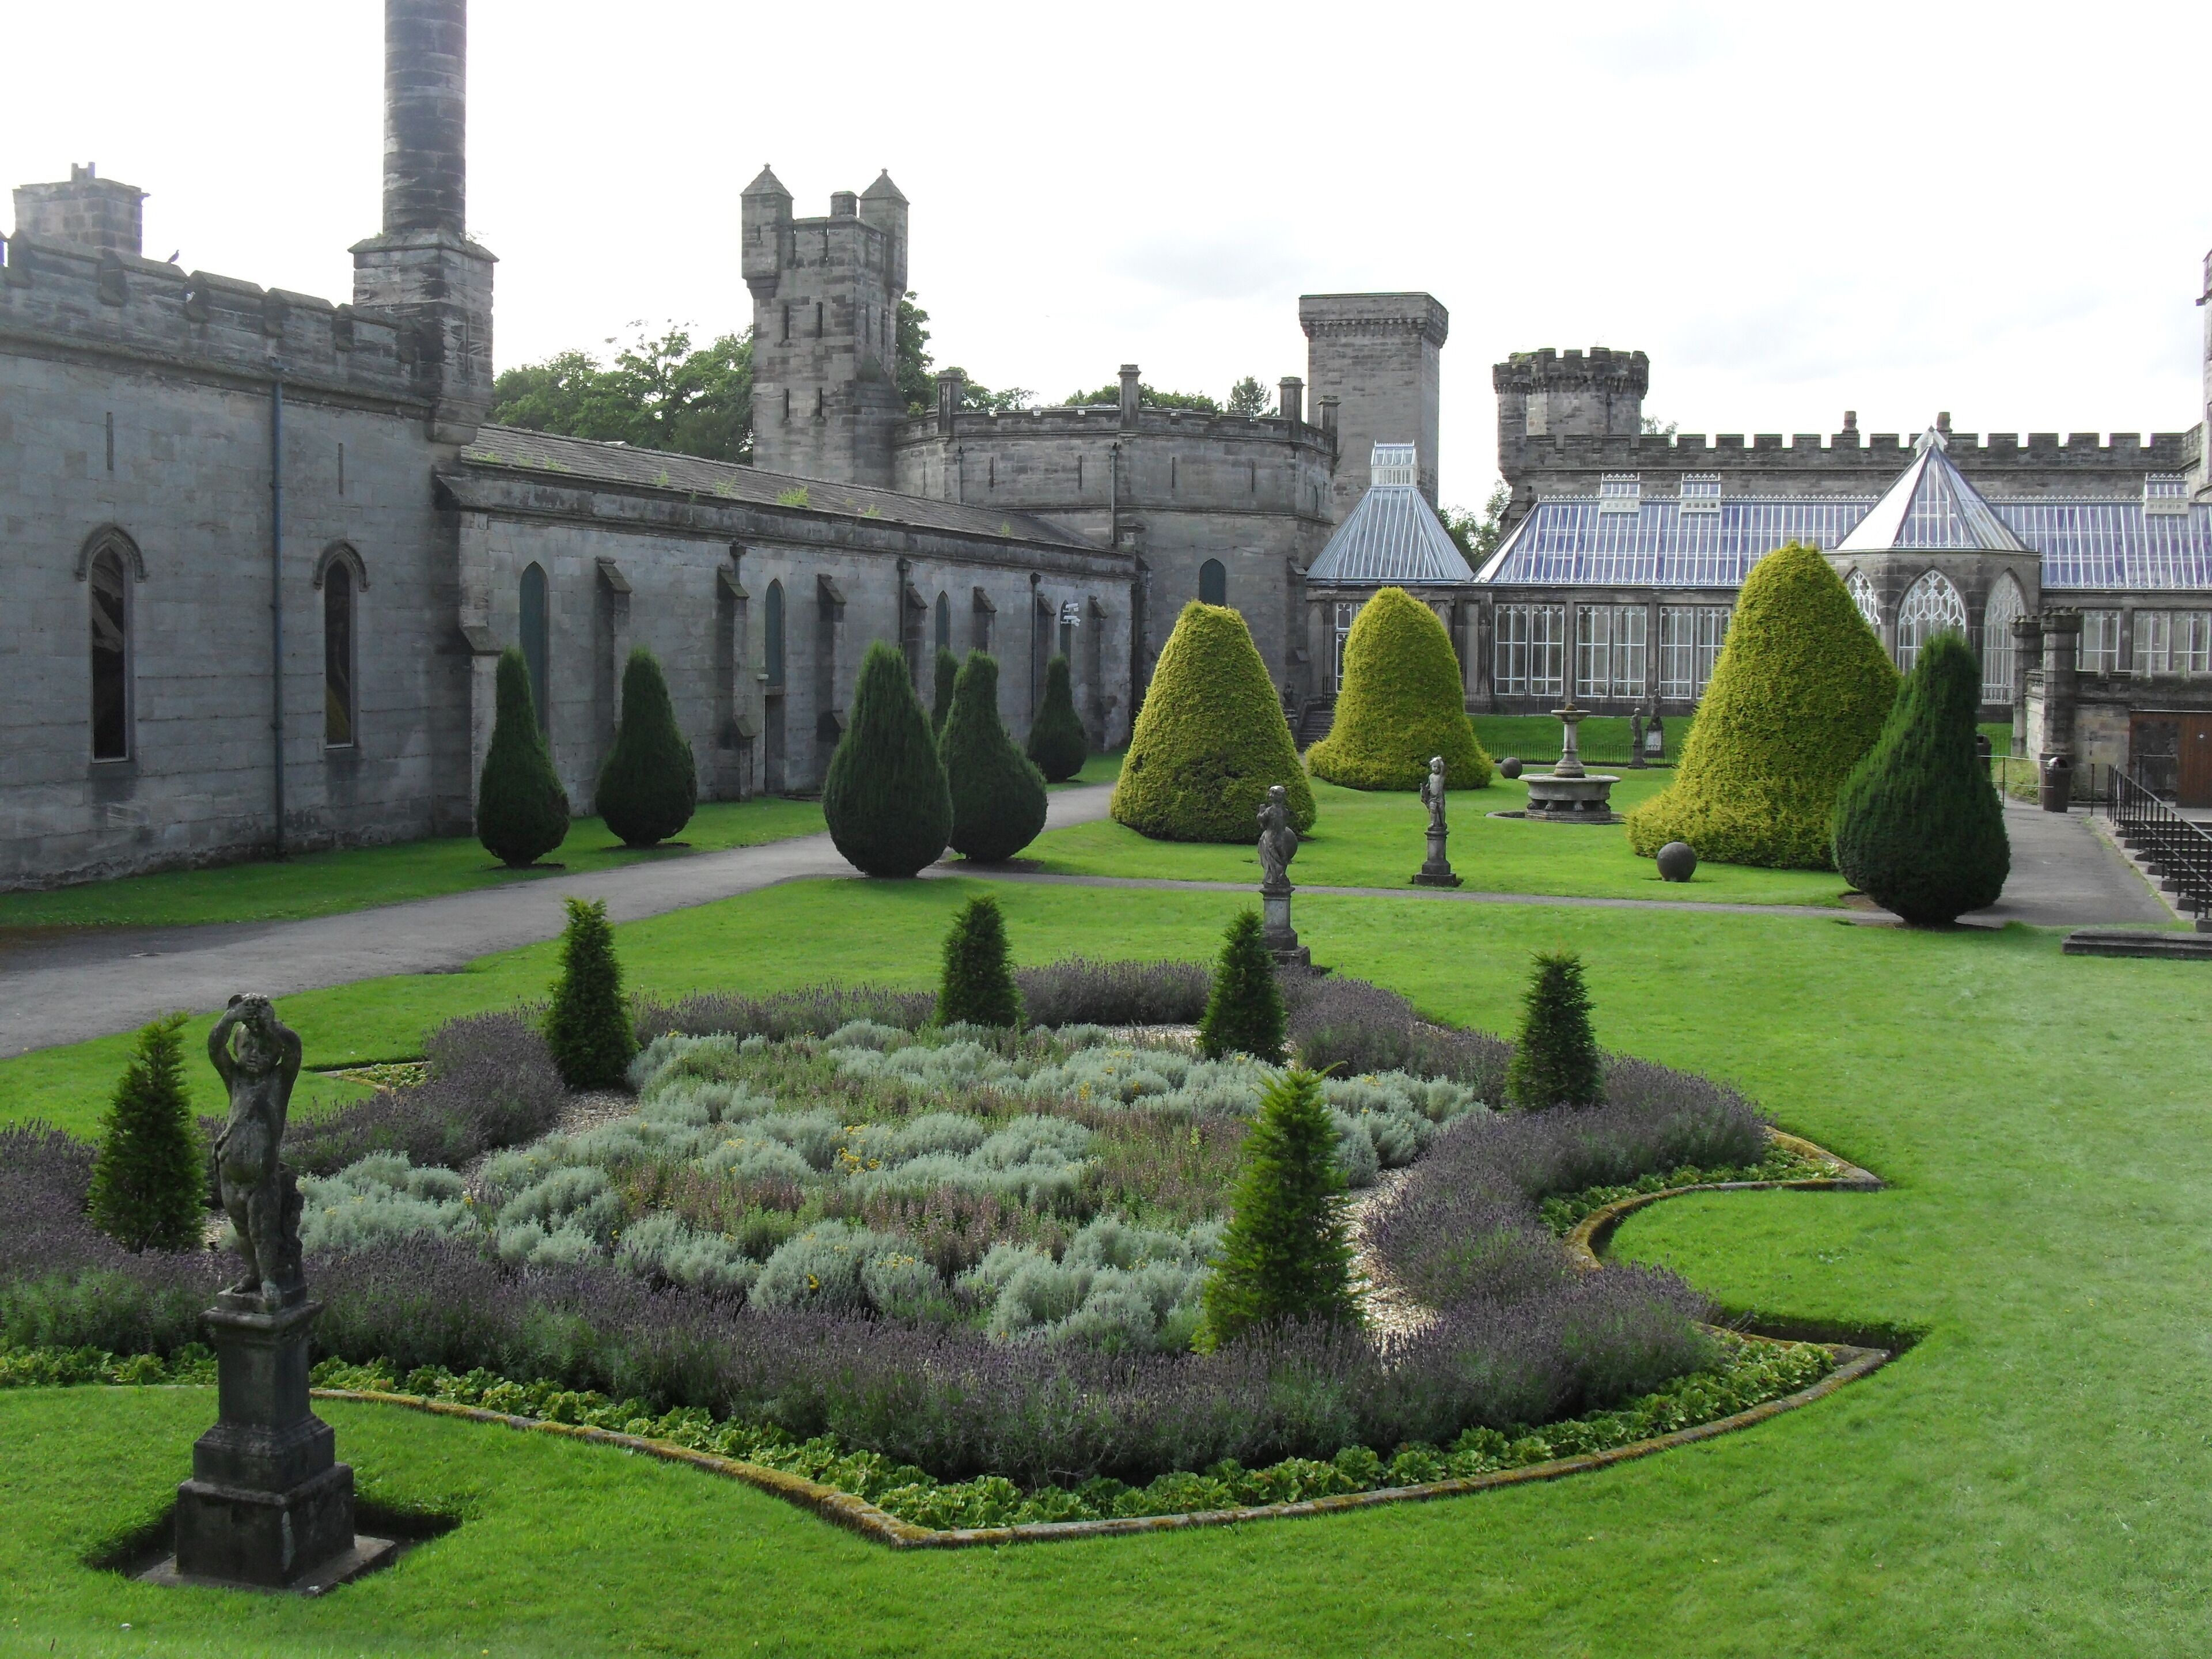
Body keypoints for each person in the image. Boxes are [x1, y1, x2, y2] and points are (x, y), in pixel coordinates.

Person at [207, 994, 304, 1304]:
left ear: (276, 1054)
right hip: (230, 1170)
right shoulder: (235, 1078)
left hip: (261, 1177)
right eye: (247, 1047)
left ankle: (269, 1279)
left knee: (263, 1231)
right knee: (242, 1230)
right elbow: (214, 1048)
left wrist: (272, 1026)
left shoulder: (279, 1081)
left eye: (264, 1050)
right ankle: (252, 1272)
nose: (254, 1055)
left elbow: (295, 1050)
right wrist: (230, 1018)